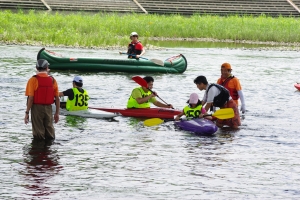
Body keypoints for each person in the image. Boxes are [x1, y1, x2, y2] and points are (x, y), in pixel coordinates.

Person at [24, 59, 60, 140]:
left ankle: (39, 150)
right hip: (48, 109)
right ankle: (49, 150)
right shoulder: (53, 80)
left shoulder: (33, 80)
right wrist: (57, 113)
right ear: (47, 67)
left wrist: (27, 113)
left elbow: (31, 99)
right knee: (50, 132)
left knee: (38, 133)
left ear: (36, 68)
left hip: (36, 109)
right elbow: (57, 98)